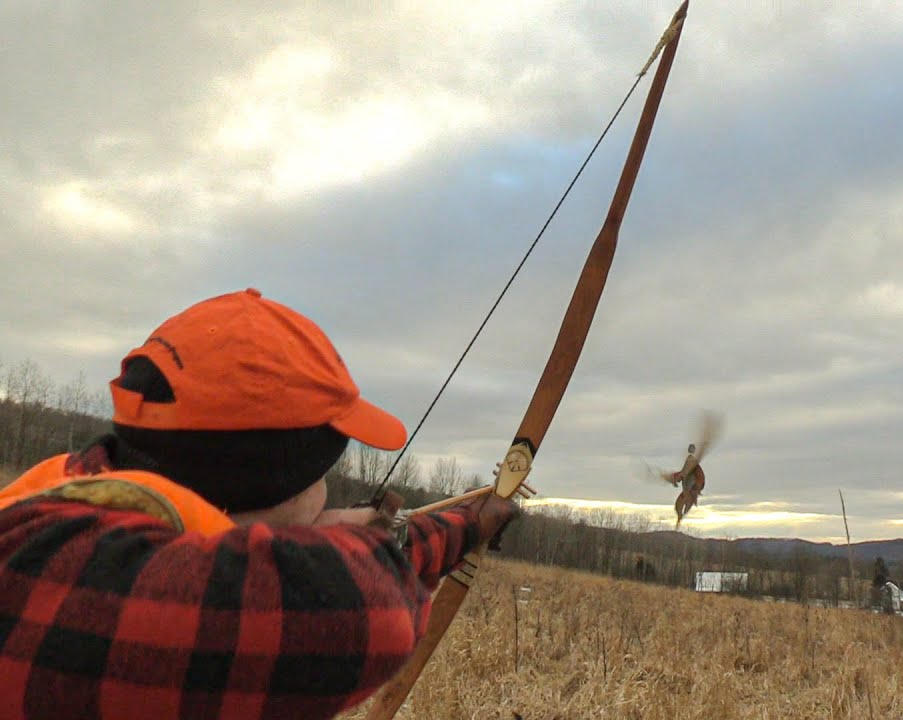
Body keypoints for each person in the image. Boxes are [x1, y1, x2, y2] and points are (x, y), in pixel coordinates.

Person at [0, 288, 519, 720]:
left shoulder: (75, 491)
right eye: (319, 476)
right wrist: (358, 549)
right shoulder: (52, 581)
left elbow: (371, 560)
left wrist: (472, 524)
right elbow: (370, 609)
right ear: (271, 488)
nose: (325, 496)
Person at [671, 442, 705, 525]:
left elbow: (685, 473)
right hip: (689, 487)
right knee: (680, 504)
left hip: (692, 487)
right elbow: (683, 473)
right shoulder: (690, 462)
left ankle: (680, 518)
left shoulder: (693, 464)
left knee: (685, 501)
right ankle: (679, 518)